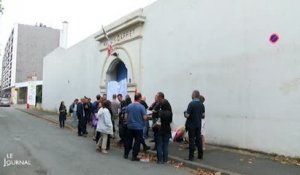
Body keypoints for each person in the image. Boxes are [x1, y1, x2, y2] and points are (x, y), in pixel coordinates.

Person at [124, 93, 149, 161]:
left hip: (130, 126)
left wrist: (128, 121)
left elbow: (125, 117)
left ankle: (126, 154)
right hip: (139, 127)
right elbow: (144, 118)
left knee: (129, 141)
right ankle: (134, 156)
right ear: (140, 98)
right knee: (137, 142)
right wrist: (147, 117)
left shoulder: (129, 106)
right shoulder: (141, 107)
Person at [184, 90, 205, 160]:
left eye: (192, 94)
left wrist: (184, 113)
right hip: (198, 124)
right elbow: (203, 116)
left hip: (191, 125)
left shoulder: (191, 104)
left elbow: (187, 115)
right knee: (199, 140)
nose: (191, 95)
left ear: (194, 95)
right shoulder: (202, 104)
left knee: (191, 140)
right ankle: (200, 155)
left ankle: (191, 156)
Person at [155, 92, 173, 164]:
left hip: (160, 130)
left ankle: (160, 160)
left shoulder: (160, 112)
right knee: (165, 145)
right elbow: (170, 121)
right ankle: (165, 159)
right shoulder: (170, 112)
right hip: (167, 129)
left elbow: (158, 122)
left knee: (159, 145)